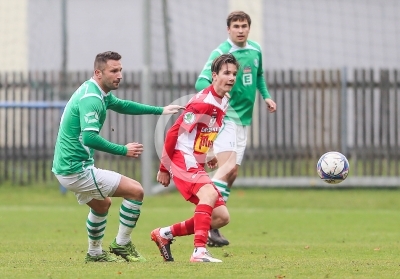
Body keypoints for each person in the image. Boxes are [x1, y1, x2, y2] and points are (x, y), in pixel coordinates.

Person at [52, 51, 183, 263]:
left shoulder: (96, 90)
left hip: (68, 168)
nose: (119, 75)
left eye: (120, 70)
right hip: (75, 169)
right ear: (98, 72)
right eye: (114, 70)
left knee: (102, 205)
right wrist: (123, 150)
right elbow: (89, 138)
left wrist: (160, 110)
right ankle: (121, 244)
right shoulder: (92, 99)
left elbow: (122, 105)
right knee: (136, 191)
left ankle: (94, 254)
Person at [194, 11, 277, 247]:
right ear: (228, 30)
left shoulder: (255, 50)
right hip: (226, 117)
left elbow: (259, 76)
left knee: (231, 174)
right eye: (236, 26)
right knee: (226, 169)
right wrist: (219, 92)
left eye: (244, 26)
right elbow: (201, 81)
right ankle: (206, 220)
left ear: (248, 29)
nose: (240, 30)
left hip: (244, 120)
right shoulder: (221, 53)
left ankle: (213, 224)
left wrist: (267, 97)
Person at [150, 54, 239, 263]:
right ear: (214, 75)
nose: (232, 77)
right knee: (208, 194)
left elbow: (205, 130)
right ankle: (199, 251)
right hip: (182, 159)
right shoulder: (202, 102)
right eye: (226, 73)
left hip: (195, 160)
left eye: (234, 73)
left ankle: (164, 234)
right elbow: (174, 132)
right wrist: (164, 167)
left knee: (221, 217)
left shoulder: (224, 100)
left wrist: (207, 153)